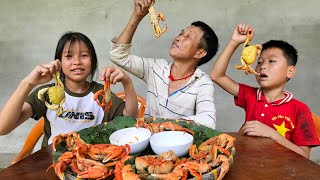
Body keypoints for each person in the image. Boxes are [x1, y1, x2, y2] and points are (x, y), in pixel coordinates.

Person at [0, 32, 138, 146]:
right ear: (59, 62)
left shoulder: (102, 94)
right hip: (52, 164)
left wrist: (127, 83)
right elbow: (3, 127)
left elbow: (130, 121)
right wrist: (28, 82)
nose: (77, 62)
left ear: (93, 61)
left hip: (90, 165)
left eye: (84, 55)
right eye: (69, 56)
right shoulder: (48, 94)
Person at [210, 24, 320, 158]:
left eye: (272, 61)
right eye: (260, 62)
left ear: (290, 71)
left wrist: (272, 134)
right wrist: (235, 42)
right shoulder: (250, 95)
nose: (262, 67)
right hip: (250, 165)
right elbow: (217, 75)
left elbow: (304, 156)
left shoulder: (300, 109)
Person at [109, 0, 219, 129]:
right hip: (149, 143)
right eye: (181, 33)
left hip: (179, 145)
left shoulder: (202, 82)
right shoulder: (156, 68)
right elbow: (118, 55)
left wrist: (166, 125)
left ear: (200, 53)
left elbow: (208, 120)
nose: (178, 38)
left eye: (188, 37)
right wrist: (137, 16)